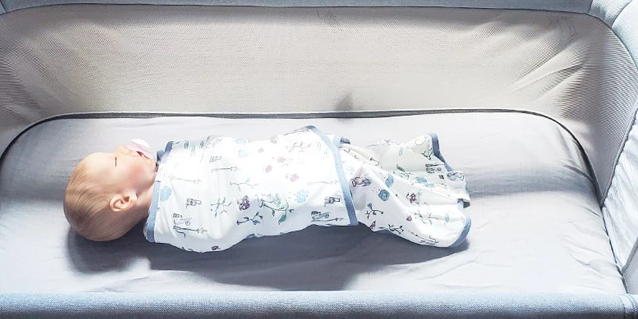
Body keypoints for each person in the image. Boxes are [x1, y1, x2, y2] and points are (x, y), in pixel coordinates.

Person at [63, 127, 471, 252]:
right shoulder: (177, 224)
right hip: (274, 190)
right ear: (123, 200)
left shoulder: (167, 167)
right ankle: (423, 208)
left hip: (268, 162)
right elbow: (227, 221)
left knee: (346, 157)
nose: (122, 150)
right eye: (115, 160)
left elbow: (223, 154)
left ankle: (401, 170)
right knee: (352, 180)